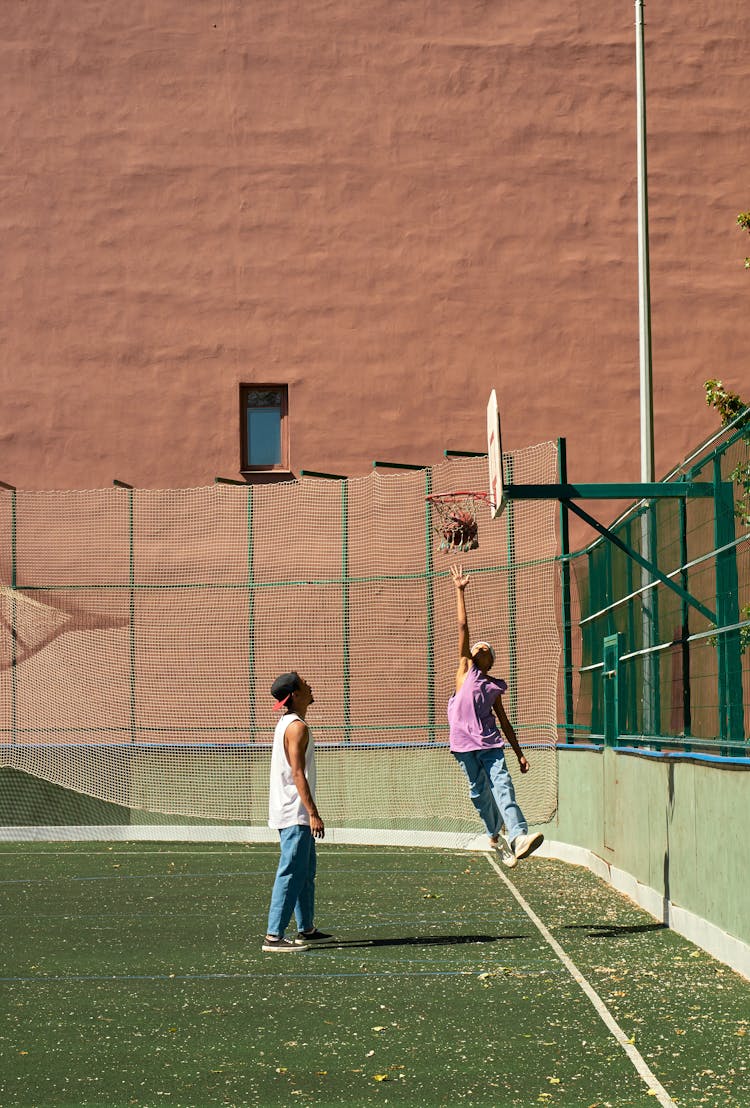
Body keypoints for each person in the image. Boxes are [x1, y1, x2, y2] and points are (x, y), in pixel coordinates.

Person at [448, 565, 544, 868]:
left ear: (489, 658)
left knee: (502, 785)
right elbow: (463, 629)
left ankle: (518, 836)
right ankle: (495, 833)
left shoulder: (492, 686)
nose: (478, 648)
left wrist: (519, 754)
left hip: (490, 743)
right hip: (463, 743)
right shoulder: (465, 671)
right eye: (476, 647)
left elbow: (504, 722)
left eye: (483, 648)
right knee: (479, 794)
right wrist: (460, 591)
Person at [262, 671, 334, 952]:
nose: (310, 686)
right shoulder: (296, 728)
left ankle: (306, 928)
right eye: (304, 684)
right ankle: (273, 936)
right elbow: (297, 773)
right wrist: (313, 812)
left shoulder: (289, 723)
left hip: (294, 811)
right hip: (294, 813)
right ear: (294, 695)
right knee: (292, 871)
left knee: (305, 872)